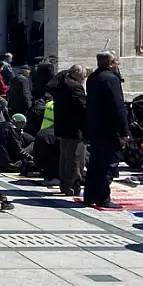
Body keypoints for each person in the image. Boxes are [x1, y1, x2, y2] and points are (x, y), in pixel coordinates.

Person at [83, 51, 128, 209]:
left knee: (95, 162)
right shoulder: (110, 79)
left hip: (95, 127)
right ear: (110, 64)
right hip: (109, 129)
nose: (118, 65)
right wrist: (124, 131)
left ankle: (89, 195)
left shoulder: (93, 77)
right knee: (108, 163)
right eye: (116, 62)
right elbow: (118, 106)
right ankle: (103, 197)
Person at [51, 65, 87, 196]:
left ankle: (64, 184)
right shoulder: (75, 87)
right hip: (74, 128)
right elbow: (82, 106)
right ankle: (72, 185)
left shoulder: (61, 84)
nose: (84, 78)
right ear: (77, 74)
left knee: (65, 157)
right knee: (75, 158)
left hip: (62, 126)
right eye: (83, 75)